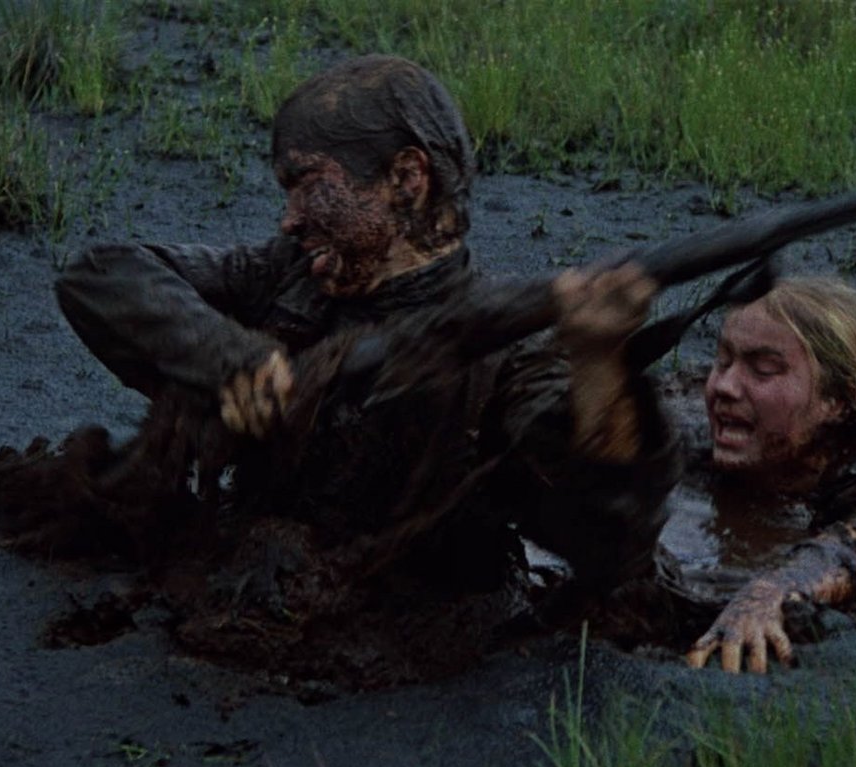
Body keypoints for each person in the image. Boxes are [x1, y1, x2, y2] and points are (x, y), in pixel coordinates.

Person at [47, 54, 679, 668]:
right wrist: (234, 360)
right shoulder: (287, 277)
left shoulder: (507, 353)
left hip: (421, 662)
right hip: (245, 594)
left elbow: (606, 531)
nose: (289, 220)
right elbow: (100, 275)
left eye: (306, 185)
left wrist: (599, 362)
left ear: (406, 179)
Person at [674, 275, 856, 673]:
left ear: (837, 400)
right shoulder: (706, 449)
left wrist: (773, 590)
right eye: (723, 361)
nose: (724, 386)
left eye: (762, 370)